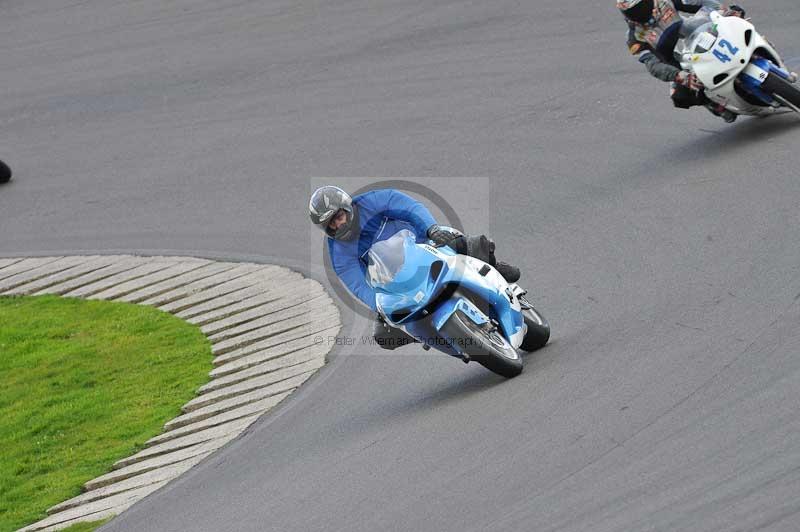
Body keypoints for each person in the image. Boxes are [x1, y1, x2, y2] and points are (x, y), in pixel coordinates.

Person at [309, 185, 520, 350]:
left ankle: (493, 265)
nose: (338, 225)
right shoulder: (338, 252)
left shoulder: (372, 201)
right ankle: (428, 337)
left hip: (423, 244)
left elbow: (410, 207)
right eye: (331, 225)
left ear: (347, 208)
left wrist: (431, 229)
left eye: (338, 217)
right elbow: (356, 283)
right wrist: (377, 304)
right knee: (384, 335)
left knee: (459, 242)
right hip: (394, 284)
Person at [617, 0, 746, 123]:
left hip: (689, 30)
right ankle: (713, 104)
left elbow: (700, 2)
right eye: (631, 11)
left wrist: (723, 11)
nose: (638, 13)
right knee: (679, 96)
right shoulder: (635, 39)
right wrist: (679, 76)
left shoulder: (665, 2)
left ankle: (749, 43)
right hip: (671, 58)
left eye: (641, 6)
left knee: (732, 16)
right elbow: (653, 65)